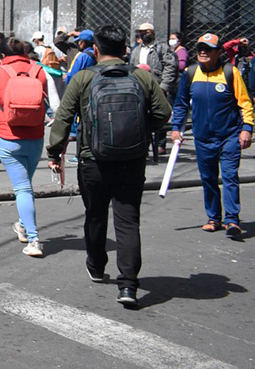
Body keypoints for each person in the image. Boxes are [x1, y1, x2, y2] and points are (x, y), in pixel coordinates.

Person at [48, 25, 172, 308]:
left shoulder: (83, 79)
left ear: (95, 49)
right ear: (125, 49)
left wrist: (55, 153)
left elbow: (63, 119)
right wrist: (141, 131)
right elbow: (163, 113)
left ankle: (96, 264)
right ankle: (128, 285)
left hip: (93, 160)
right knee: (128, 221)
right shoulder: (142, 77)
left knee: (95, 214)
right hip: (132, 160)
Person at [0, 38, 60, 257]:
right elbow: (56, 106)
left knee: (23, 188)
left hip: (8, 137)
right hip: (35, 137)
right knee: (25, 184)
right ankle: (23, 225)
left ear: (3, 54)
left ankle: (33, 239)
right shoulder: (41, 71)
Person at [171, 34, 254, 237]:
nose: (203, 52)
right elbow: (181, 104)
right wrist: (175, 128)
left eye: (208, 49)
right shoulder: (190, 73)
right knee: (208, 178)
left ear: (218, 52)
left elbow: (245, 103)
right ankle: (213, 218)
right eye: (200, 48)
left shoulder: (230, 73)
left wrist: (247, 128)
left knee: (229, 177)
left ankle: (232, 220)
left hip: (229, 136)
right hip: (203, 138)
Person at [129, 23, 178, 160]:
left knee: (159, 114)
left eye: (145, 32)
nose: (143, 35)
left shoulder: (161, 48)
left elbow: (170, 67)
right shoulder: (137, 50)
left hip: (157, 86)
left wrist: (164, 86)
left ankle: (160, 143)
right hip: (139, 88)